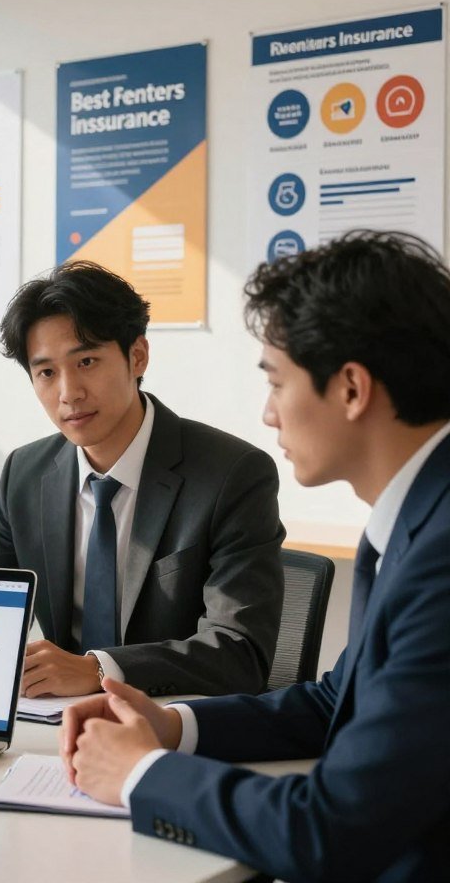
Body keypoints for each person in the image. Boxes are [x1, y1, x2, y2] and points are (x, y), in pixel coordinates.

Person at [62, 231, 450, 882]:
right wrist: (171, 726)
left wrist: (140, 774)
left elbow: (330, 831)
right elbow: (336, 703)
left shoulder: (440, 557)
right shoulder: (418, 517)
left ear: (351, 389)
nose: (268, 415)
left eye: (276, 382)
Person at [0, 261, 284, 698]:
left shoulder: (232, 474)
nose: (68, 392)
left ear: (137, 356)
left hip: (170, 725)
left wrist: (99, 670)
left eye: (86, 361)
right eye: (46, 373)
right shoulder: (26, 472)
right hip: (57, 725)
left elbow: (239, 651)